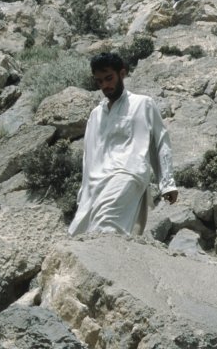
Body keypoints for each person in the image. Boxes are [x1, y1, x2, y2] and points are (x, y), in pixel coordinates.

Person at [68, 52, 179, 237]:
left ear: (122, 74)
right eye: (100, 81)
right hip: (97, 181)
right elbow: (89, 155)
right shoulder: (96, 114)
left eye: (109, 78)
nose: (105, 85)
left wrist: (167, 183)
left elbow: (160, 142)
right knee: (79, 233)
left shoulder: (143, 104)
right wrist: (84, 192)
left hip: (128, 173)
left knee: (106, 223)